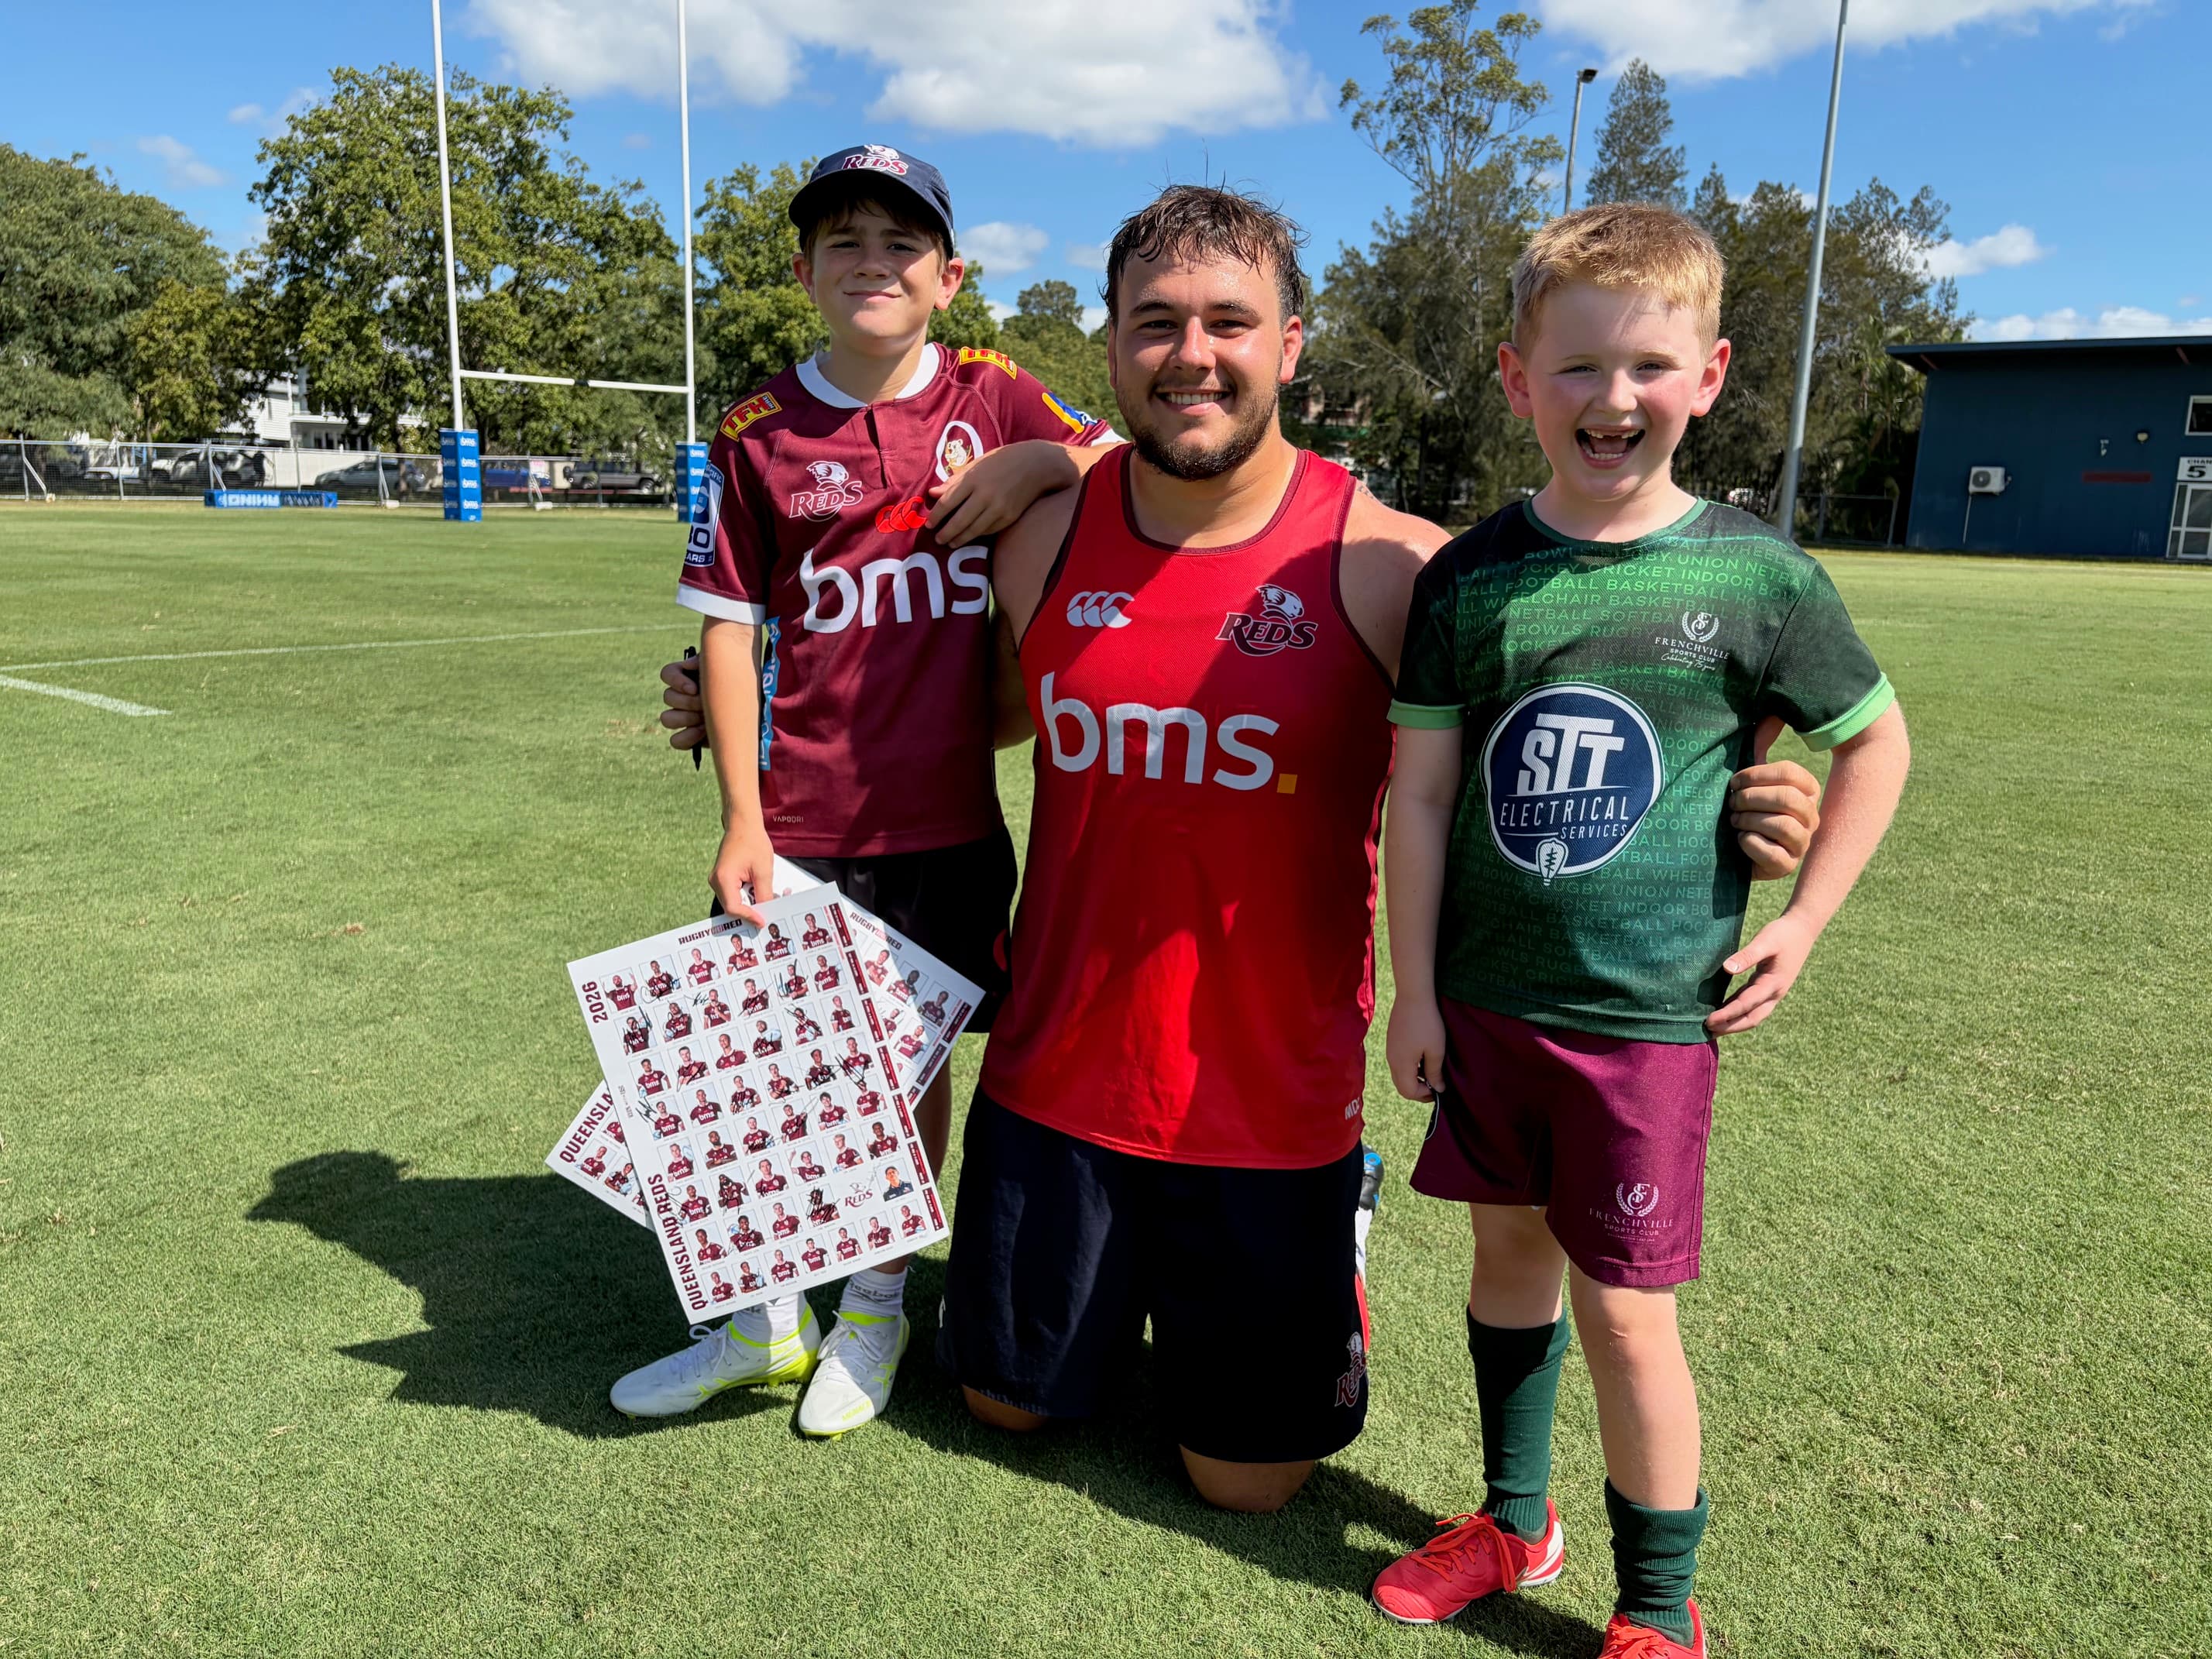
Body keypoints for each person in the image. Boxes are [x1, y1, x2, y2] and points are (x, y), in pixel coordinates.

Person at [913, 186, 1822, 1519]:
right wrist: (729, 697)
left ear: (1291, 344)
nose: (1192, 352)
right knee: (1005, 1409)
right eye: (1155, 322)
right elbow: (915, 681)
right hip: (1057, 1082)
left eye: (1231, 319)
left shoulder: (1397, 566)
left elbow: (1569, 742)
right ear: (1109, 346)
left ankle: (1327, 1230)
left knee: (1252, 1482)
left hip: (1269, 1103)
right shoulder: (1038, 536)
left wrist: (1751, 794)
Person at [1367, 204, 1909, 1657]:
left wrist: (1804, 924)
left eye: (1651, 365)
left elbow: (1878, 744)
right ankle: (1514, 1520)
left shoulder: (1758, 577)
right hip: (1488, 1005)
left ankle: (1661, 1611)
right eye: (1579, 368)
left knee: (1626, 1316)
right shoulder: (1469, 578)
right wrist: (1412, 991)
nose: (1614, 398)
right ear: (1514, 376)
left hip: (1645, 1024)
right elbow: (1419, 795)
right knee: (1504, 1270)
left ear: (1714, 372)